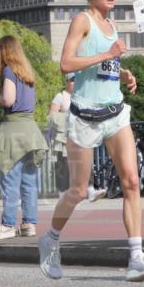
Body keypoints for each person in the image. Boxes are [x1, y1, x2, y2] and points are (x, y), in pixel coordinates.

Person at [36, 0, 144, 282]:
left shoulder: (111, 24)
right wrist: (109, 54)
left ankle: (136, 257)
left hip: (115, 114)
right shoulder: (83, 21)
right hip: (85, 116)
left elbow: (103, 66)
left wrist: (122, 72)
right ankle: (51, 238)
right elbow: (66, 64)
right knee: (79, 190)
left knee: (131, 181)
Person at [0, 35, 47, 240]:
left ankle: (7, 225)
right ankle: (29, 224)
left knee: (9, 179)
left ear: (5, 51)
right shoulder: (26, 72)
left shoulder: (8, 70)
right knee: (29, 182)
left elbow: (9, 101)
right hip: (31, 130)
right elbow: (19, 100)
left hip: (13, 130)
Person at [47, 74, 106, 202]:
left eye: (76, 80)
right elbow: (51, 116)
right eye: (71, 80)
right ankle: (62, 193)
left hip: (80, 135)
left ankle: (90, 190)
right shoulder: (61, 96)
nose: (74, 82)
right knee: (63, 166)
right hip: (64, 137)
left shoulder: (82, 96)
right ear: (66, 82)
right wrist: (68, 118)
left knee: (86, 162)